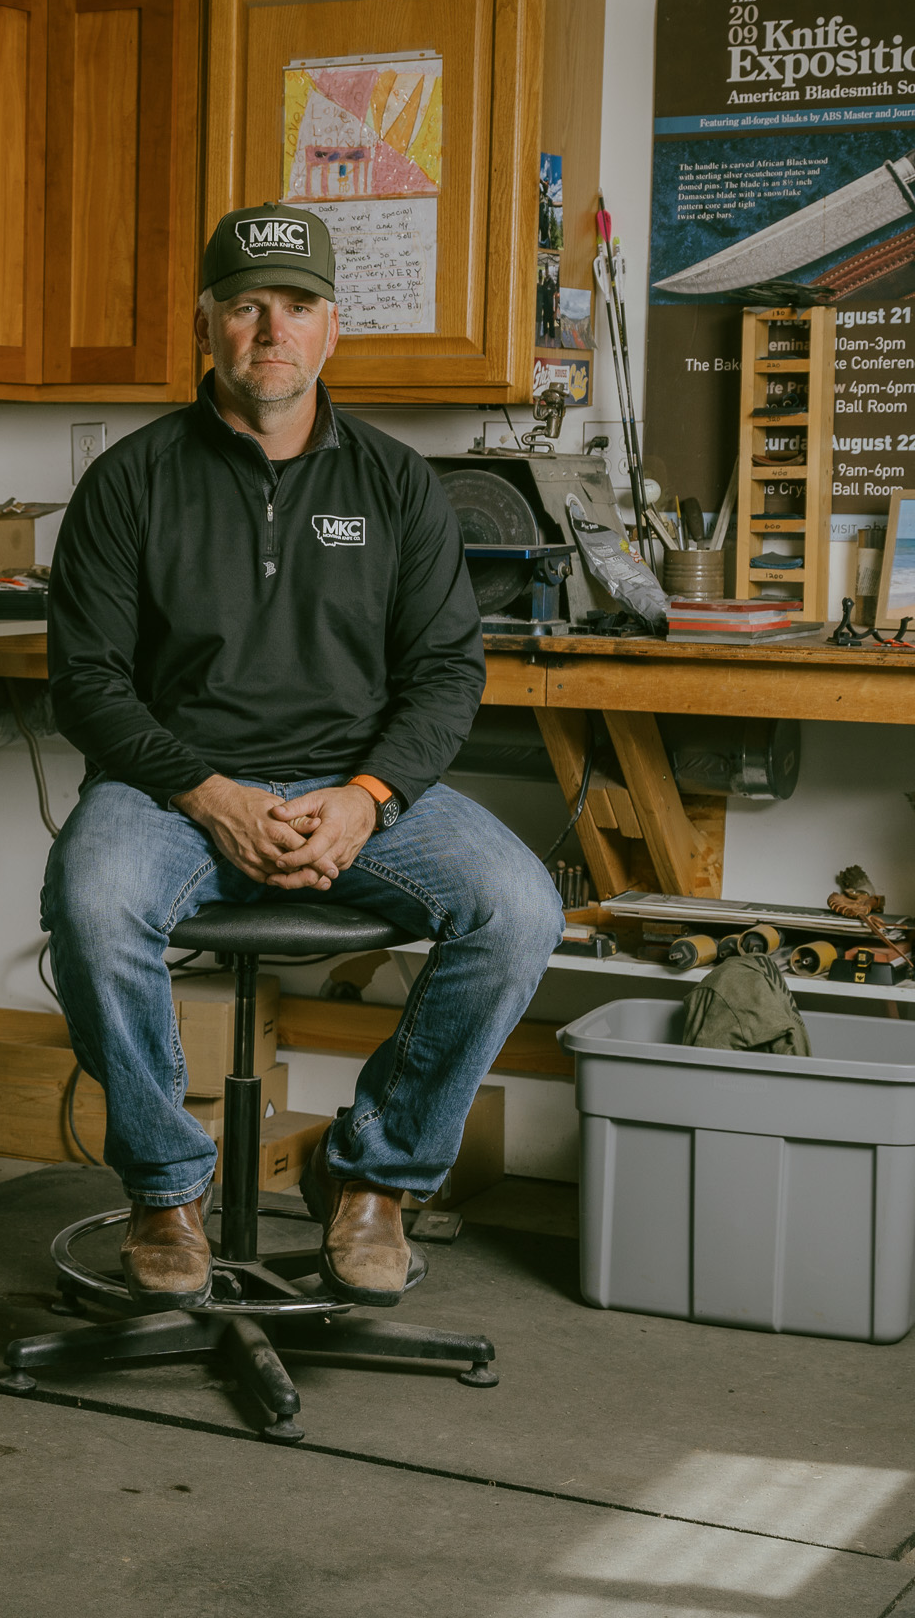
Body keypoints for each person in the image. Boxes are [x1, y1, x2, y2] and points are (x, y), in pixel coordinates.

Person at [44, 201, 564, 1311]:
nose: (268, 330)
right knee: (92, 902)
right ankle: (166, 1191)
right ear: (206, 325)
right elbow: (85, 682)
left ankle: (372, 1177)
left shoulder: (394, 485)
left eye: (295, 307)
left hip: (354, 783)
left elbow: (444, 674)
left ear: (333, 330)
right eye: (244, 306)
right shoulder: (127, 482)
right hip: (169, 788)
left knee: (518, 906)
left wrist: (367, 798)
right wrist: (208, 789)